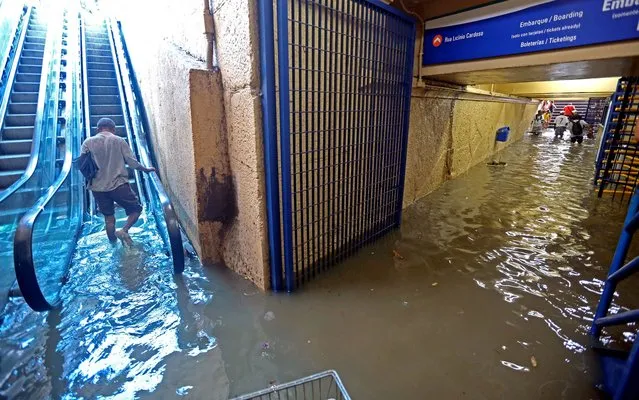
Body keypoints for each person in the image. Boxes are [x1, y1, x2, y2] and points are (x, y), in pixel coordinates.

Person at [80, 118, 155, 245]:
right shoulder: (119, 140)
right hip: (119, 185)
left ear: (98, 129)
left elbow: (83, 165)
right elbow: (132, 162)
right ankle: (124, 230)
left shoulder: (87, 142)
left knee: (109, 219)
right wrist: (146, 170)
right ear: (113, 129)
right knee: (136, 209)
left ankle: (113, 245)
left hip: (98, 188)